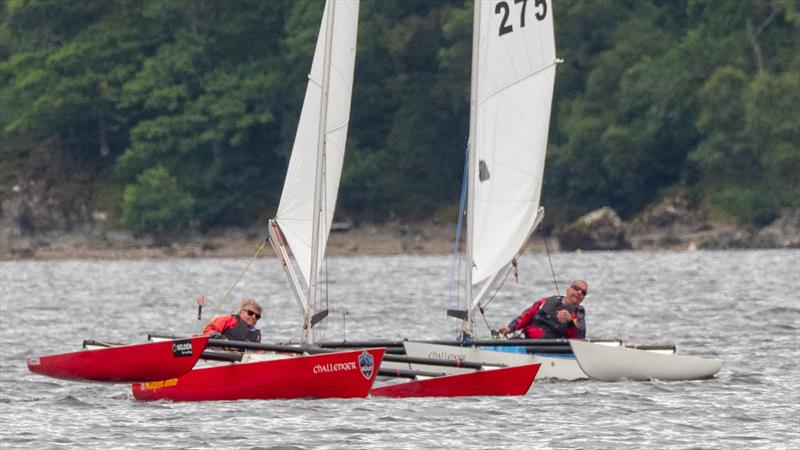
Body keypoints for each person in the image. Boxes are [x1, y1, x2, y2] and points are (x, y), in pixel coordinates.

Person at [497, 280, 588, 339]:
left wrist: (570, 321)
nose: (579, 292)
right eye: (576, 288)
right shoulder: (545, 301)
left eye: (583, 292)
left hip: (548, 350)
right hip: (526, 341)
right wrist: (510, 327)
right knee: (512, 341)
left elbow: (580, 335)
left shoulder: (578, 314)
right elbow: (526, 315)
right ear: (568, 290)